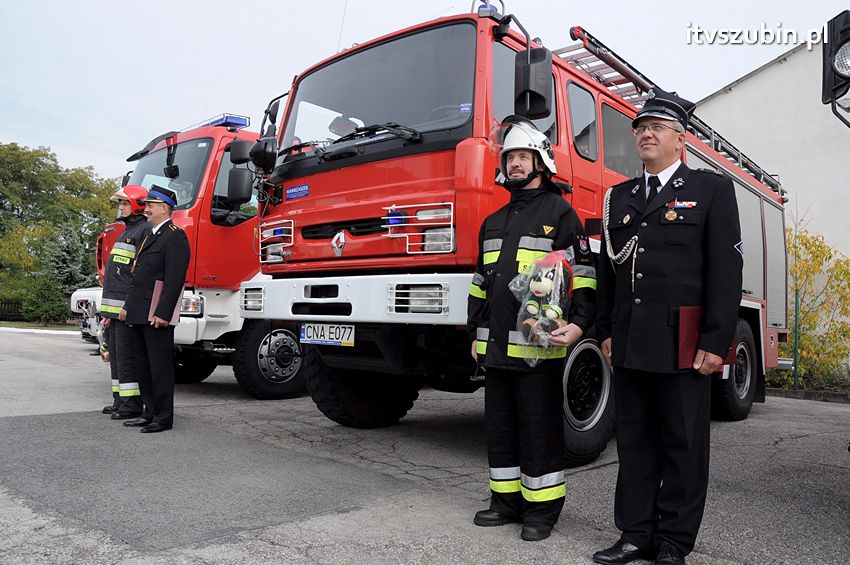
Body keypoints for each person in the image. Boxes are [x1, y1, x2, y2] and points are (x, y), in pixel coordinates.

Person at [592, 89, 743, 565]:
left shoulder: (711, 190)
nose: (646, 134)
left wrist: (716, 341)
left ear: (681, 139)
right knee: (635, 444)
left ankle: (674, 541)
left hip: (684, 344)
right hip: (631, 341)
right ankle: (635, 533)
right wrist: (606, 332)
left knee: (683, 445)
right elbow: (607, 274)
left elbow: (725, 272)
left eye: (657, 127)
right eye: (640, 127)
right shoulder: (618, 197)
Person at [467, 118, 597, 542]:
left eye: (523, 156)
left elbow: (583, 275)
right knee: (500, 428)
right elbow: (480, 284)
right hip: (496, 349)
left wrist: (579, 324)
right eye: (510, 158)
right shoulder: (493, 221)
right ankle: (504, 501)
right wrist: (474, 336)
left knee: (539, 430)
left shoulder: (560, 214)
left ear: (541, 162)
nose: (515, 164)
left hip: (539, 349)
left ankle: (542, 510)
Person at [120, 186, 190, 434]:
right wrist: (128, 307)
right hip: (140, 310)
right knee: (143, 365)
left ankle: (163, 417)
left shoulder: (175, 236)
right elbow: (138, 275)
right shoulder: (150, 234)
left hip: (155, 313)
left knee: (159, 367)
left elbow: (174, 279)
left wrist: (163, 312)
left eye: (150, 205)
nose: (146, 209)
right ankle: (149, 412)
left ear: (164, 208)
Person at [98, 185, 150, 418]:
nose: (120, 207)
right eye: (120, 203)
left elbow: (139, 274)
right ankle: (120, 400)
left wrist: (129, 306)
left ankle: (132, 405)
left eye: (125, 203)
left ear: (138, 205)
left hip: (125, 309)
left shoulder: (143, 231)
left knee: (127, 357)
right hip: (114, 310)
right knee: (117, 358)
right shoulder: (127, 230)